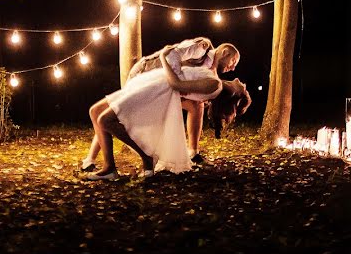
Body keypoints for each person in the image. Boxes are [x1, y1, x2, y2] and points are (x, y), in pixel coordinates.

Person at [83, 43, 241, 180]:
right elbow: (183, 67)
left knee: (105, 119)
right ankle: (109, 166)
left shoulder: (214, 84)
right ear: (225, 52)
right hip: (149, 80)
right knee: (95, 111)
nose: (236, 75)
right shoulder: (210, 69)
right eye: (233, 61)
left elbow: (176, 84)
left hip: (155, 90)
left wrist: (165, 58)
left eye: (240, 85)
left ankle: (143, 157)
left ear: (232, 93)